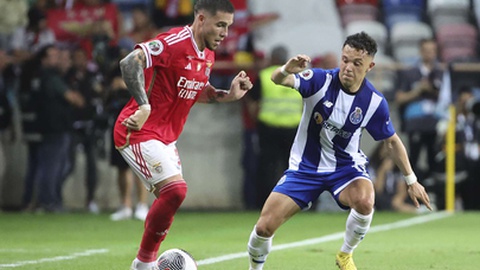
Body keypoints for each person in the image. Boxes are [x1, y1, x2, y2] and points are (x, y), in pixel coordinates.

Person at [246, 32, 432, 270]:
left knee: (365, 201)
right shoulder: (319, 80)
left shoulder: (374, 101)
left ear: (370, 66)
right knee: (263, 227)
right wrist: (285, 69)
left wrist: (411, 180)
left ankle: (345, 254)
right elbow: (277, 79)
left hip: (345, 169)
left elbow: (392, 141)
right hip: (305, 168)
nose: (348, 67)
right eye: (345, 59)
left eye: (357, 63)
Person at [112, 1, 252, 269]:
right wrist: (143, 105)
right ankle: (143, 264)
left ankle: (144, 262)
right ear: (201, 19)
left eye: (228, 26)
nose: (225, 32)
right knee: (175, 191)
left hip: (166, 138)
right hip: (137, 130)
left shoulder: (207, 54)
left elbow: (198, 90)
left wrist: (228, 95)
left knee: (173, 197)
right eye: (220, 24)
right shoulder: (174, 41)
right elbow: (129, 62)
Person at [249, 45, 303, 209]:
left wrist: (256, 119)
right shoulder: (298, 76)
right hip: (293, 129)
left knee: (267, 168)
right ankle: (294, 203)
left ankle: (264, 204)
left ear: (272, 58)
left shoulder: (264, 75)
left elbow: (252, 102)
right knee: (294, 169)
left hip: (268, 127)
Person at [395, 38, 444, 181]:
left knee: (434, 157)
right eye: (427, 50)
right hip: (416, 122)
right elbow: (399, 98)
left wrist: (432, 90)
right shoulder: (409, 73)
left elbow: (447, 96)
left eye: (433, 50)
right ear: (421, 52)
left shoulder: (441, 72)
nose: (430, 54)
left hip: (436, 121)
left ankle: (433, 191)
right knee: (414, 157)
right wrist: (417, 91)